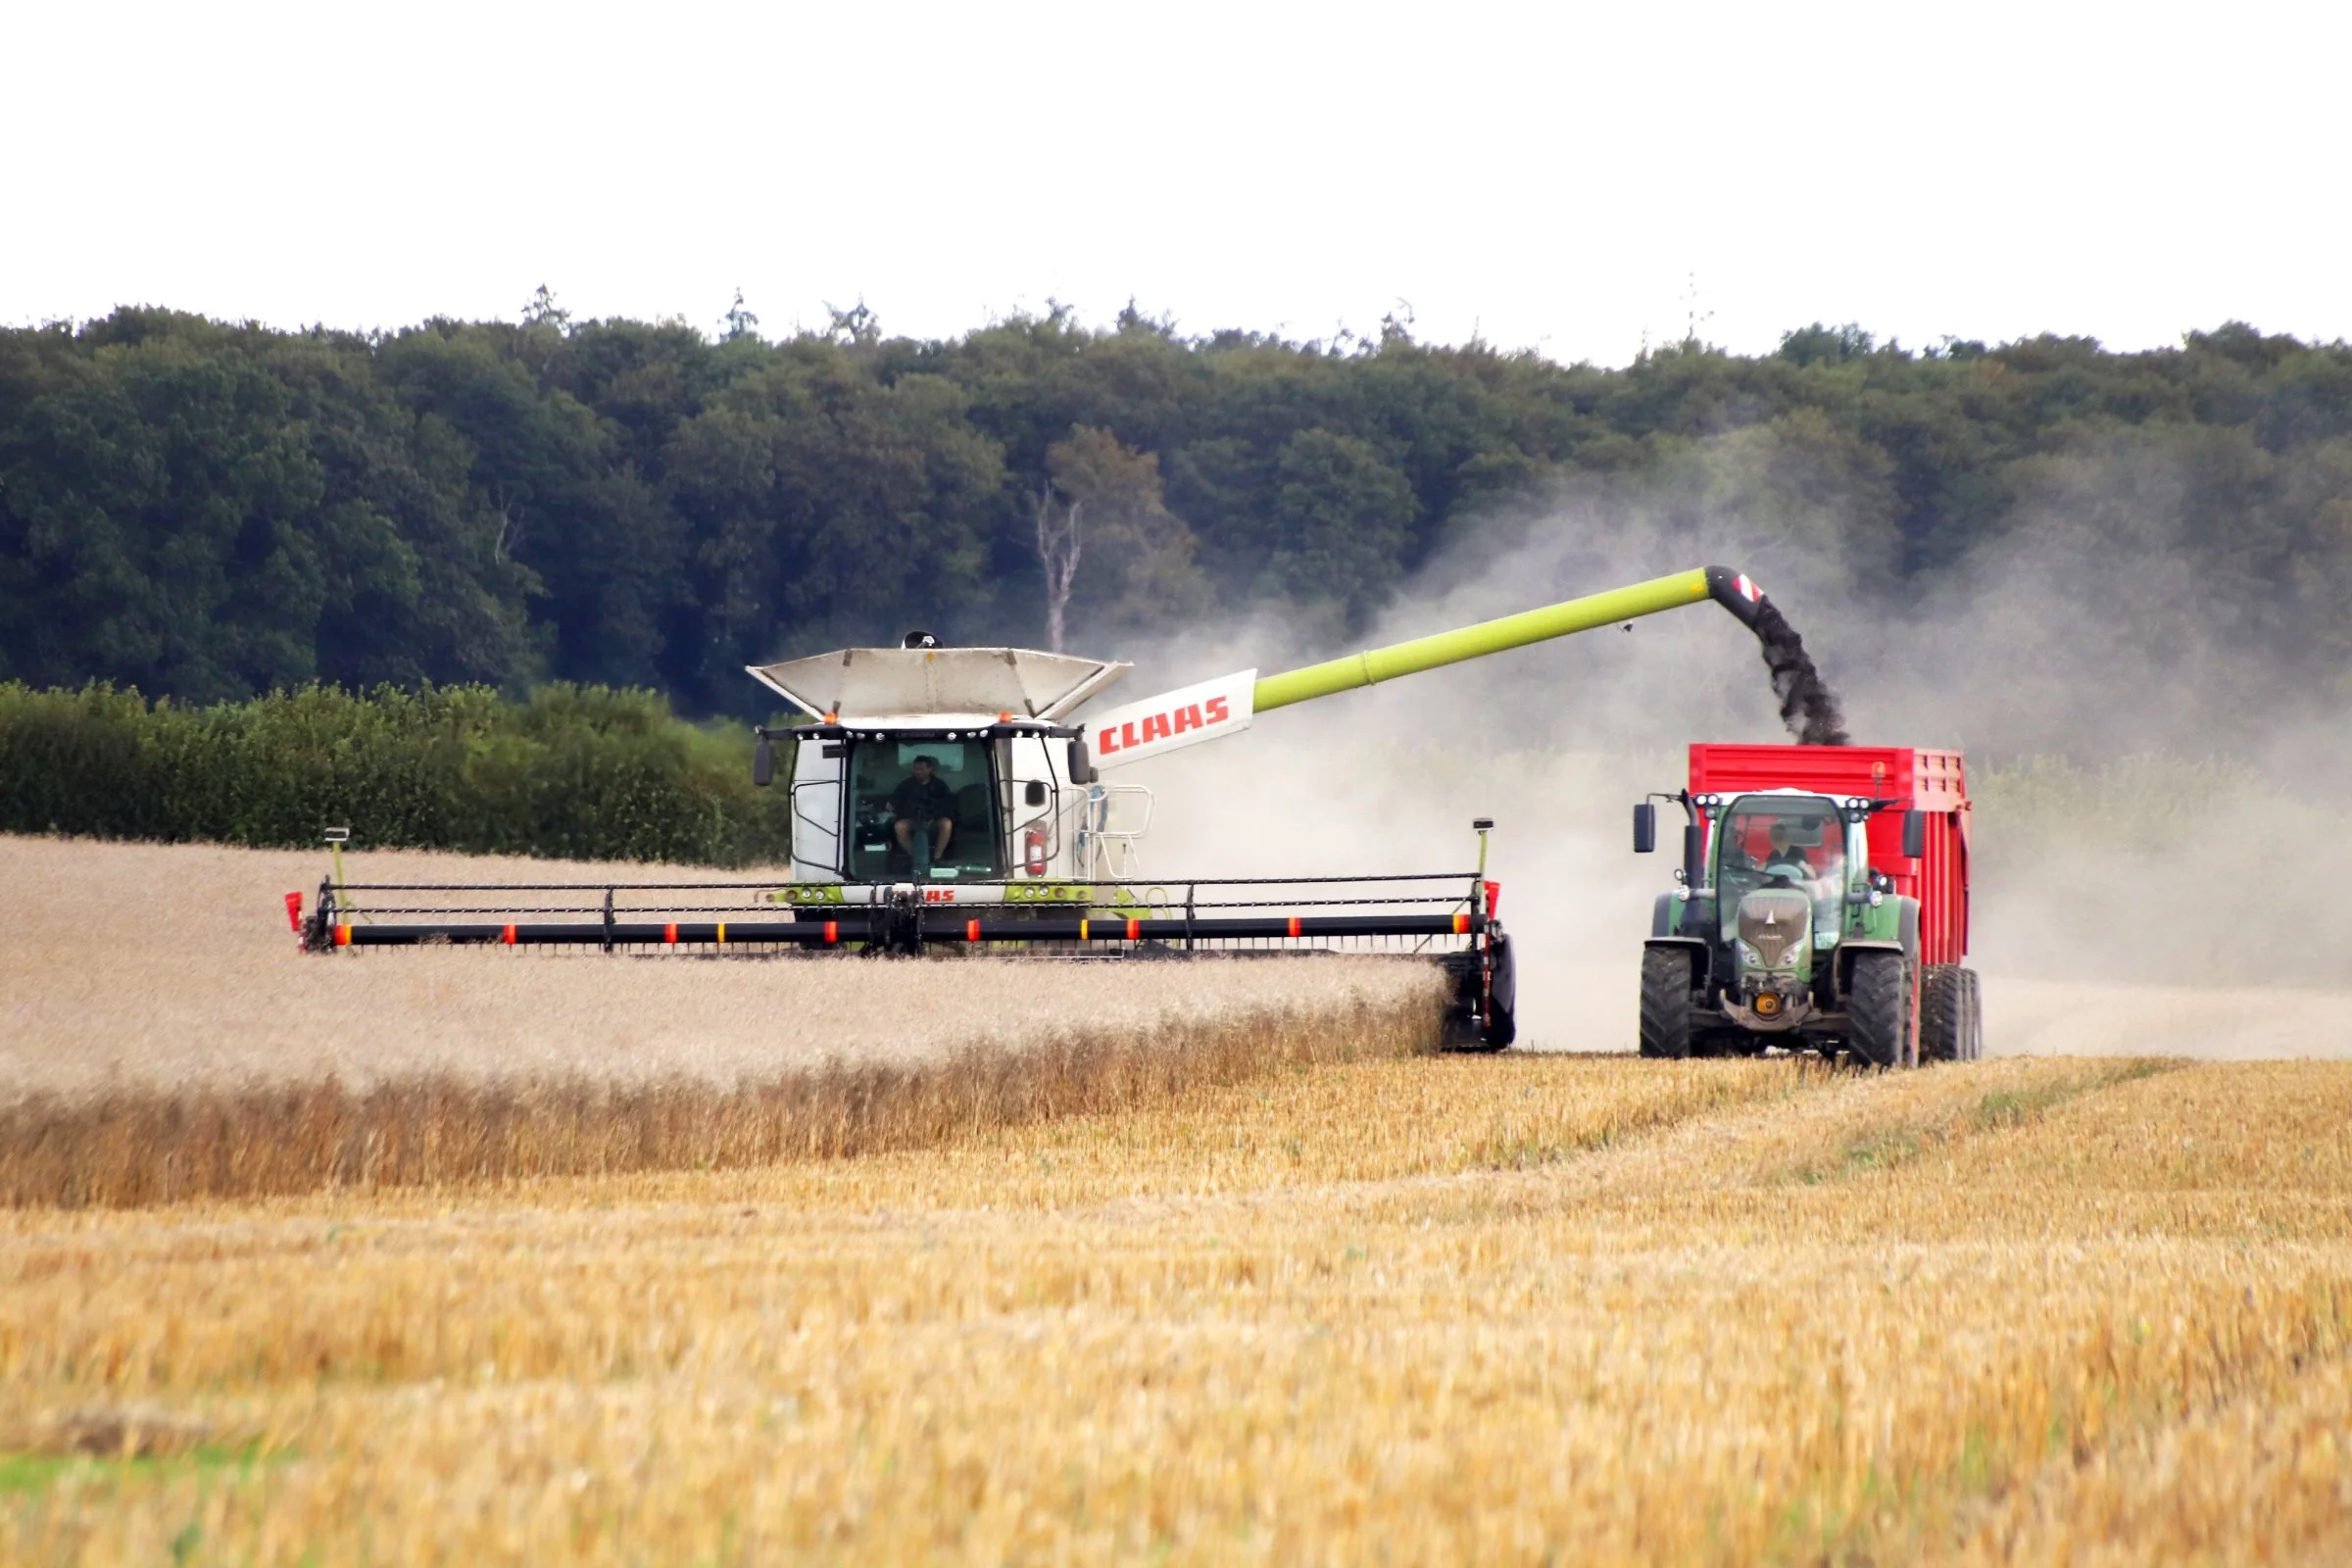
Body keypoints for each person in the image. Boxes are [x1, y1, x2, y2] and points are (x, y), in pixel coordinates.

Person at [890, 755, 956, 866]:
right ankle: (916, 858)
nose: (918, 772)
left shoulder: (940, 786)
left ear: (930, 769)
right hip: (912, 820)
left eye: (921, 769)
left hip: (934, 821)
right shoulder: (906, 785)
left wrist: (933, 816)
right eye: (916, 769)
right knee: (899, 827)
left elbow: (947, 806)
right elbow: (896, 803)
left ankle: (937, 858)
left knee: (946, 824)